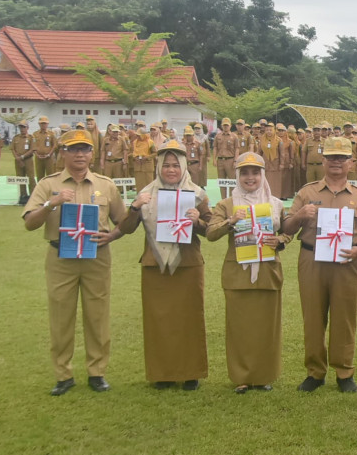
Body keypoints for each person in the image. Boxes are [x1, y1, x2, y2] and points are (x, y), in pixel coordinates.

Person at [22, 129, 129, 395]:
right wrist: (51, 204)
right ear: (63, 153)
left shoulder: (106, 185)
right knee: (61, 317)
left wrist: (112, 236)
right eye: (73, 149)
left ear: (92, 154)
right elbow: (29, 223)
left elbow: (124, 222)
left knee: (97, 316)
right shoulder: (49, 184)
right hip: (61, 257)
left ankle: (97, 372)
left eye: (85, 149)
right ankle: (63, 375)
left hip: (96, 256)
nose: (79, 154)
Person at [282, 137, 357, 393]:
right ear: (323, 160)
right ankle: (315, 372)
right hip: (312, 260)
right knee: (313, 317)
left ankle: (344, 372)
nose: (336, 162)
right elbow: (287, 227)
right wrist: (301, 215)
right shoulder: (307, 193)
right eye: (332, 157)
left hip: (347, 262)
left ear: (351, 163)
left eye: (342, 157)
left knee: (344, 318)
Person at [118, 140, 211, 390]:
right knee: (158, 320)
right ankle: (163, 374)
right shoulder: (146, 194)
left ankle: (191, 373)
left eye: (176, 165)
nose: (171, 170)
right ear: (158, 166)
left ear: (184, 167)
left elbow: (211, 229)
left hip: (188, 265)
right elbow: (125, 229)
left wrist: (198, 220)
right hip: (155, 266)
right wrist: (135, 207)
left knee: (190, 318)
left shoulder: (198, 194)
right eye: (166, 165)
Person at [206, 152, 287, 393]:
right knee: (239, 328)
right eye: (244, 173)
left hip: (267, 272)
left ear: (263, 175)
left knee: (266, 327)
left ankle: (264, 376)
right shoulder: (226, 204)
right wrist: (230, 221)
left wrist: (280, 240)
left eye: (255, 172)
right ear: (237, 176)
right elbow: (210, 233)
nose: (250, 178)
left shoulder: (276, 204)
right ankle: (241, 377)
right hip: (238, 274)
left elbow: (289, 230)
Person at [11, 121, 36, 204]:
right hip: (18, 160)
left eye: (24, 127)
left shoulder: (31, 138)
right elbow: (12, 149)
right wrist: (17, 158)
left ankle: (33, 195)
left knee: (30, 178)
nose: (22, 129)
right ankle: (23, 195)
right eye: (21, 127)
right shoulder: (16, 138)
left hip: (28, 159)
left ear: (27, 128)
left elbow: (32, 149)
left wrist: (22, 157)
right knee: (20, 178)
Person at [32, 116, 58, 183]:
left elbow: (54, 145)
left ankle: (50, 191)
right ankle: (40, 191)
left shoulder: (51, 134)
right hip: (38, 158)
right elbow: (33, 146)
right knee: (39, 175)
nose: (43, 125)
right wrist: (36, 154)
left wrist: (49, 154)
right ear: (39, 124)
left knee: (50, 175)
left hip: (49, 158)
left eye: (45, 123)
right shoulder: (35, 134)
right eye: (42, 123)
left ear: (47, 124)